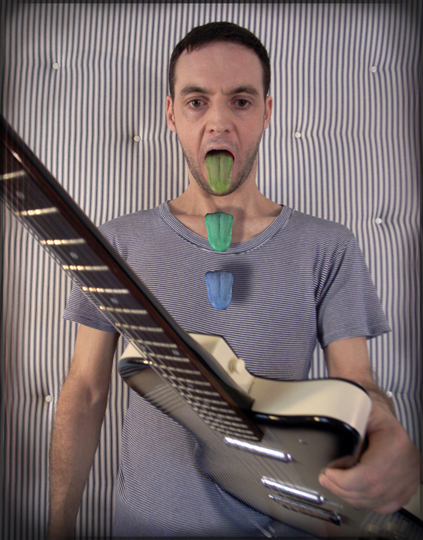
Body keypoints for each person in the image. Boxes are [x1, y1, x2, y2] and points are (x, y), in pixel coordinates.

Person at [47, 22, 421, 538]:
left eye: (241, 101)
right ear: (171, 114)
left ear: (267, 112)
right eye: (196, 102)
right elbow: (86, 390)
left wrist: (385, 432)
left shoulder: (329, 246)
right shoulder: (117, 243)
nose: (219, 122)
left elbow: (358, 384)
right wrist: (58, 527)